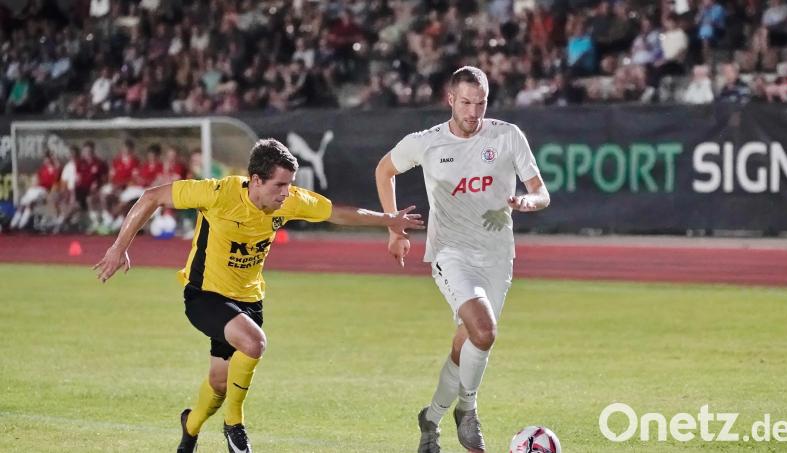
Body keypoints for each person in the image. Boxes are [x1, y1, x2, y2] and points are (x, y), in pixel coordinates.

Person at [94, 138, 424, 453]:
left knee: (219, 385)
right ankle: (234, 425)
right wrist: (118, 248)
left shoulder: (291, 199)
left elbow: (337, 214)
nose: (286, 193)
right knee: (255, 343)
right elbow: (152, 196)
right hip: (205, 295)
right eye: (279, 185)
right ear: (254, 180)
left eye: (289, 184)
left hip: (249, 300)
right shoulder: (217, 193)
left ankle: (190, 428)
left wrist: (388, 220)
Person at [375, 66, 550, 453]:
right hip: (450, 252)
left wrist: (527, 202)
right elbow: (384, 170)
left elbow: (542, 193)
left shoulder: (507, 136)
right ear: (450, 99)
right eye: (466, 102)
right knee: (484, 332)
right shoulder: (428, 143)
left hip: (498, 256)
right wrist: (394, 228)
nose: (474, 112)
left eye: (481, 103)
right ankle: (467, 410)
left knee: (467, 343)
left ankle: (432, 418)